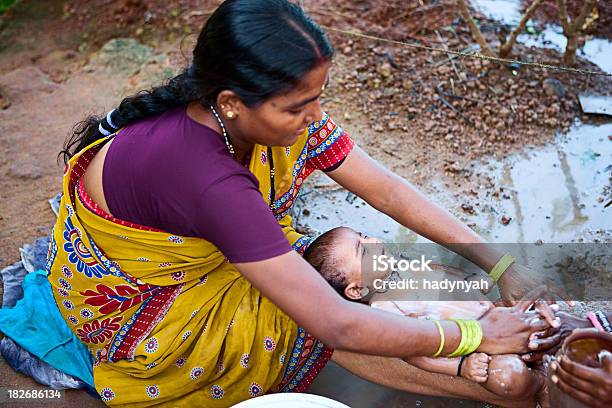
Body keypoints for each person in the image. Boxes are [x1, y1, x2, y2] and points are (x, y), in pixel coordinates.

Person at [49, 0, 558, 405]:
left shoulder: (257, 121)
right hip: (154, 312)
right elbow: (333, 321)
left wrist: (505, 265)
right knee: (320, 301)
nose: (315, 116)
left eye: (318, 97)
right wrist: (467, 336)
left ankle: (489, 342)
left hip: (210, 248)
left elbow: (388, 190)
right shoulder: (205, 176)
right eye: (298, 106)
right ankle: (521, 388)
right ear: (230, 102)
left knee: (354, 262)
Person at [304, 226, 550, 400]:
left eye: (364, 235)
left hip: (495, 314)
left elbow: (440, 272)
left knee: (538, 310)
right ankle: (542, 387)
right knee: (506, 378)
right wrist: (461, 367)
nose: (373, 241)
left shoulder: (402, 265)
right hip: (481, 351)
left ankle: (559, 346)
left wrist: (469, 281)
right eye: (363, 250)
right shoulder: (386, 309)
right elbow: (414, 355)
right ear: (357, 290)